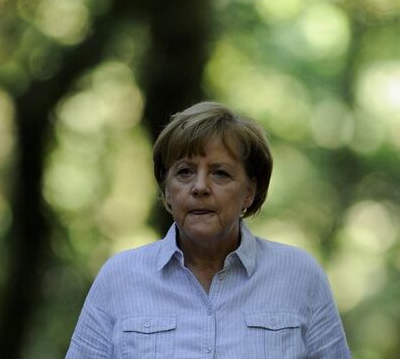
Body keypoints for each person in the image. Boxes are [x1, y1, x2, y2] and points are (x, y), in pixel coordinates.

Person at [65, 101, 351, 358]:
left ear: (249, 191)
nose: (200, 187)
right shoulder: (120, 278)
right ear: (167, 191)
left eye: (220, 173)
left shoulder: (299, 276)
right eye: (185, 172)